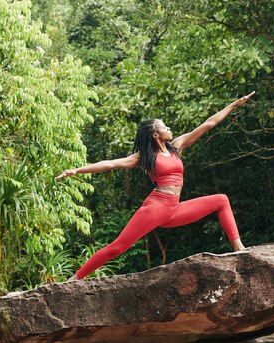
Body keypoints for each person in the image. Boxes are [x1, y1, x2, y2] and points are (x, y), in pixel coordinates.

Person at [56, 92, 255, 280]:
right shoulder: (144, 157)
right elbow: (110, 164)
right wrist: (77, 170)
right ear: (154, 134)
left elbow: (208, 124)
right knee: (117, 247)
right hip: (156, 207)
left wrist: (233, 105)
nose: (168, 128)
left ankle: (239, 249)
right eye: (163, 126)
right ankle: (75, 278)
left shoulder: (176, 147)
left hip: (174, 209)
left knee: (221, 200)